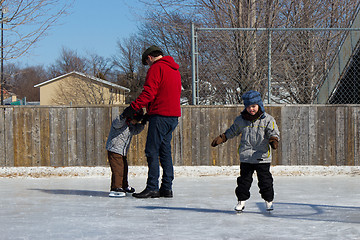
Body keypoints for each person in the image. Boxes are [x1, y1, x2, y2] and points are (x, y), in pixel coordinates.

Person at [122, 45, 182, 198]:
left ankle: (152, 187)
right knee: (165, 152)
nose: (148, 66)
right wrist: (149, 113)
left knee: (152, 151)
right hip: (172, 117)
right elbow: (165, 93)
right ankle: (167, 188)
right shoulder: (174, 70)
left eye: (147, 63)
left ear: (149, 58)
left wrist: (133, 107)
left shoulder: (156, 68)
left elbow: (149, 92)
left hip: (160, 116)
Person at [211, 90, 280, 212]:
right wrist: (223, 137)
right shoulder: (241, 120)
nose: (251, 109)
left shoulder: (268, 119)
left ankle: (269, 201)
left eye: (253, 106)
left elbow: (273, 131)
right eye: (248, 107)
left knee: (265, 182)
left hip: (262, 156)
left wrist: (274, 139)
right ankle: (241, 202)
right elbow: (232, 130)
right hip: (246, 156)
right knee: (243, 182)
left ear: (259, 105)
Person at [106, 109, 146, 198]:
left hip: (122, 151)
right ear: (130, 117)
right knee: (118, 169)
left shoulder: (131, 125)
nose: (135, 123)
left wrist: (143, 123)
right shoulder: (121, 122)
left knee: (124, 168)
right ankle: (116, 187)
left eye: (137, 121)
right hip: (114, 149)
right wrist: (123, 116)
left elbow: (136, 131)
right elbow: (117, 122)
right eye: (134, 120)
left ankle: (124, 185)